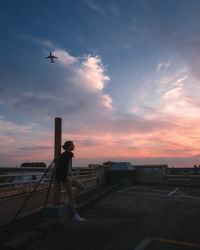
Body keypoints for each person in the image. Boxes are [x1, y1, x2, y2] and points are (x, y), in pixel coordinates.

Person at [55, 140, 85, 222]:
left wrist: (70, 175)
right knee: (71, 196)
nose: (74, 146)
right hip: (66, 178)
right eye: (72, 145)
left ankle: (68, 201)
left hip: (70, 176)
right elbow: (60, 168)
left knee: (82, 187)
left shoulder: (68, 155)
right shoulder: (65, 155)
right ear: (68, 146)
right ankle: (75, 215)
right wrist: (65, 177)